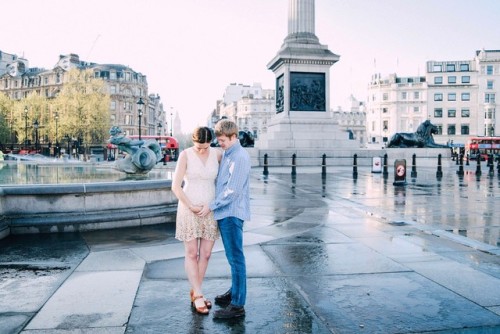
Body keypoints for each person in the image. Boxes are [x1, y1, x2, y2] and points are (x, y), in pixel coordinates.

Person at [198, 119, 251, 319]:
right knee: (233, 258)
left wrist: (210, 206)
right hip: (226, 212)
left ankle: (237, 306)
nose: (219, 143)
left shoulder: (239, 157)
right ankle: (234, 293)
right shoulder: (229, 154)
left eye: (222, 140)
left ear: (233, 137)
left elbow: (233, 190)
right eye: (218, 140)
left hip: (231, 213)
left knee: (236, 259)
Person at [172, 126, 222, 315]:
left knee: (206, 254)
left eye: (205, 147)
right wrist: (191, 205)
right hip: (189, 208)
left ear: (211, 142)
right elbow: (176, 186)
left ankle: (196, 290)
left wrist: (214, 204)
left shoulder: (217, 155)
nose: (202, 150)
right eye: (199, 147)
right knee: (192, 253)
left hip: (210, 209)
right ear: (193, 142)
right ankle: (199, 294)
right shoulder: (185, 155)